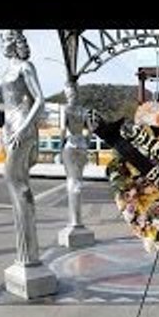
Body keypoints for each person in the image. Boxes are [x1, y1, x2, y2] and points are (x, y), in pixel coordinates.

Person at [0, 29, 43, 266]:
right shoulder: (7, 70)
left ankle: (29, 253)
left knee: (16, 182)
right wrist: (5, 130)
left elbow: (40, 100)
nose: (2, 44)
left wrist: (24, 129)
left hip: (21, 127)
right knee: (16, 184)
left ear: (15, 42)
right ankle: (26, 251)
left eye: (5, 39)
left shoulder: (26, 67)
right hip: (9, 128)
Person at [61, 80, 87, 228]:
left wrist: (60, 146)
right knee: (79, 181)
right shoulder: (83, 110)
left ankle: (75, 221)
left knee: (71, 180)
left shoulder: (66, 109)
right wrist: (86, 143)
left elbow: (63, 130)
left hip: (70, 144)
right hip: (81, 144)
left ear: (67, 94)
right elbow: (88, 130)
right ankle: (78, 220)